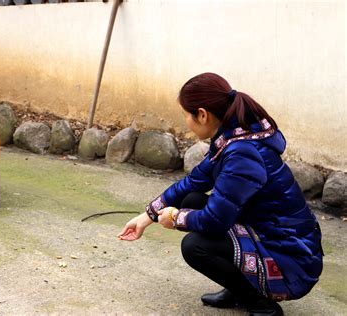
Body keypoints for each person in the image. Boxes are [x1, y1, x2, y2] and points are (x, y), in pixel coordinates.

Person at [118, 73, 323, 316]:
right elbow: (191, 183)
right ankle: (239, 287)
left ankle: (261, 305)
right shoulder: (232, 138)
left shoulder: (242, 154)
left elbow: (215, 221)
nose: (186, 121)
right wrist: (146, 217)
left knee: (194, 246)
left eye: (186, 114)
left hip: (293, 261)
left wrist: (175, 219)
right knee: (192, 199)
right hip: (268, 234)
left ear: (202, 114)